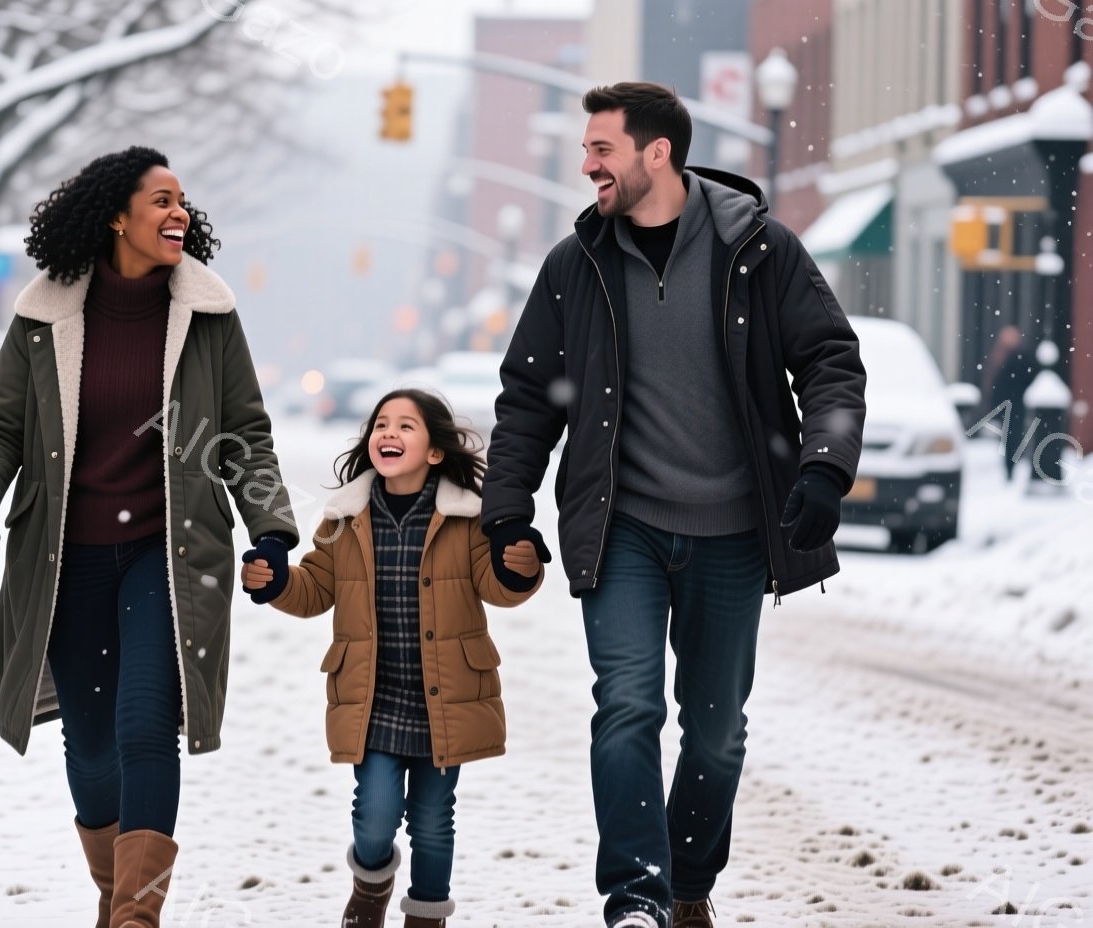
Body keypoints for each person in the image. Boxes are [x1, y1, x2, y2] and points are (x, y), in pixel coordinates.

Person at [480, 83, 866, 928]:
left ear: (658, 153)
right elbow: (527, 399)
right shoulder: (575, 266)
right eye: (585, 150)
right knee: (627, 704)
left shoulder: (761, 251)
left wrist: (825, 467)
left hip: (733, 534)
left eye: (602, 150)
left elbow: (832, 360)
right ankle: (637, 896)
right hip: (622, 528)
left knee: (718, 731)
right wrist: (507, 510)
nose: (588, 167)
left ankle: (690, 884)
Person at [0, 146, 296, 928]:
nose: (179, 214)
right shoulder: (46, 315)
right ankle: (115, 894)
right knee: (91, 744)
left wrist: (270, 530)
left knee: (144, 724)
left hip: (167, 555)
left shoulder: (206, 314)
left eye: (183, 202)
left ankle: (137, 914)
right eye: (160, 201)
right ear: (115, 216)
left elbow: (243, 435)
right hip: (66, 556)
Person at [243, 389, 541, 928]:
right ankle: (372, 882)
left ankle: (427, 917)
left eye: (406, 426)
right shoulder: (343, 518)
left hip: (444, 697)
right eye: (382, 424)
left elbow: (495, 586)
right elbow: (315, 590)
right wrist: (278, 582)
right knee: (375, 814)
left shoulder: (467, 519)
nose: (388, 434)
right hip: (373, 697)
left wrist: (518, 568)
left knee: (432, 821)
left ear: (434, 451)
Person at [984, 325, 1034, 481]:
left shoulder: (1017, 359)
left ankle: (1011, 470)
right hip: (1010, 406)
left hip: (1014, 406)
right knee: (1010, 440)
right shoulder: (1005, 358)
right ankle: (1011, 470)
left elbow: (999, 384)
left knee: (1012, 440)